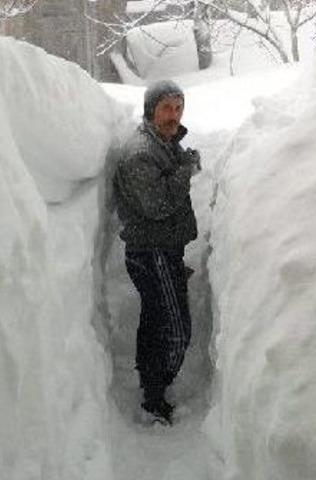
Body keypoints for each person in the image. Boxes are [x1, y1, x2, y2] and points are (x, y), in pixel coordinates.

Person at [113, 80, 201, 425]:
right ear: (151, 110)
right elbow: (159, 204)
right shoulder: (139, 153)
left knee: (154, 321)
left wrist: (182, 159)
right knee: (176, 329)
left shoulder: (159, 141)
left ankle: (151, 392)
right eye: (166, 108)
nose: (174, 115)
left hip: (163, 251)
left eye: (179, 108)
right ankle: (157, 389)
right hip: (153, 253)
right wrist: (185, 171)